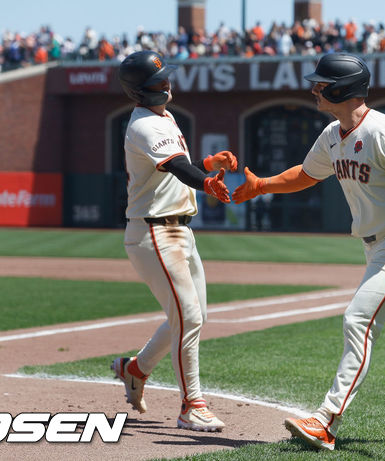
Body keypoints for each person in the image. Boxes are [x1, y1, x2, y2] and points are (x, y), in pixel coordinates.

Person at [232, 53, 385, 451]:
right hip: (374, 244)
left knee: (357, 320)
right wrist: (265, 185)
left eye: (321, 84)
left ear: (342, 89)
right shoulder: (331, 133)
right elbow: (307, 174)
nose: (314, 90)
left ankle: (326, 419)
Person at [112, 50, 238, 432]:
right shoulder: (144, 125)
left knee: (189, 315)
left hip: (178, 228)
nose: (167, 83)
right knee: (188, 316)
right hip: (154, 230)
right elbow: (176, 167)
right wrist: (205, 181)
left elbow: (177, 165)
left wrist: (207, 165)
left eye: (166, 76)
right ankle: (192, 405)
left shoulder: (163, 117)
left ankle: (135, 369)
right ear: (138, 91)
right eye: (158, 80)